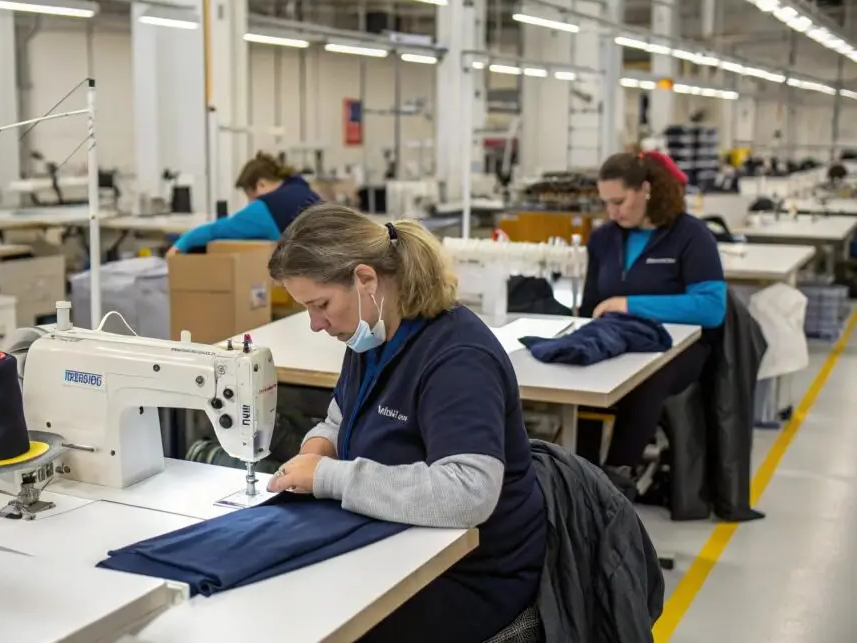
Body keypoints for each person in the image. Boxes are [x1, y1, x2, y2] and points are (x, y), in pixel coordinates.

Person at [264, 203, 547, 643]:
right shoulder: (371, 334)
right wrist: (319, 445)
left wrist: (329, 477)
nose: (316, 324)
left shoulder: (458, 359)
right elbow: (342, 415)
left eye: (320, 305)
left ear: (365, 279)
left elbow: (468, 491)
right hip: (400, 542)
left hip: (470, 574)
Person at [582, 152, 727, 489]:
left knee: (647, 378)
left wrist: (629, 304)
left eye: (619, 201)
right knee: (582, 369)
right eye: (606, 203)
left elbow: (711, 308)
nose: (613, 212)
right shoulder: (603, 239)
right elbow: (591, 305)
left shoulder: (691, 235)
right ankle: (580, 476)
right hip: (621, 338)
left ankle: (617, 479)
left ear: (645, 189)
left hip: (681, 347)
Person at [170, 151, 321, 253]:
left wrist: (181, 244)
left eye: (250, 195)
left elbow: (216, 231)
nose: (250, 203)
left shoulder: (266, 206)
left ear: (261, 184)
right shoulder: (303, 191)